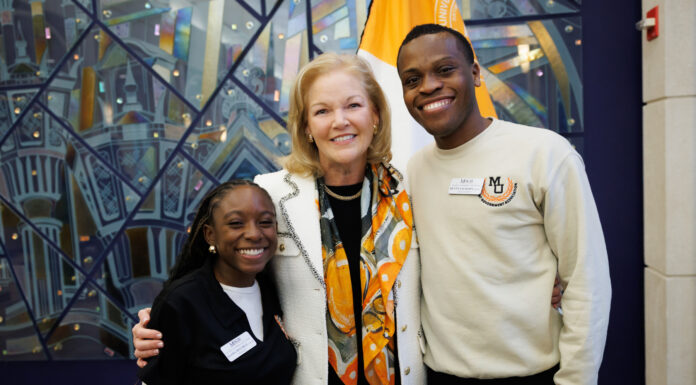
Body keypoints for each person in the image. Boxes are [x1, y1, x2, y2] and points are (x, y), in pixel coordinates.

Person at [135, 53, 425, 385]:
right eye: (322, 111)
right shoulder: (269, 195)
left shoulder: (410, 192)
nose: (340, 121)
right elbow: (209, 275)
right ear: (307, 127)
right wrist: (157, 322)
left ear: (375, 114)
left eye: (353, 106)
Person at [396, 24, 611, 385]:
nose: (429, 86)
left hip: (534, 375)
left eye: (445, 70)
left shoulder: (546, 154)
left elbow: (586, 281)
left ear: (476, 73)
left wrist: (576, 379)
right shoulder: (413, 171)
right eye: (412, 79)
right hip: (440, 375)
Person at [136, 180, 297, 384]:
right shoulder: (181, 303)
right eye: (236, 223)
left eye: (265, 222)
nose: (254, 234)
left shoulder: (272, 289)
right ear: (210, 235)